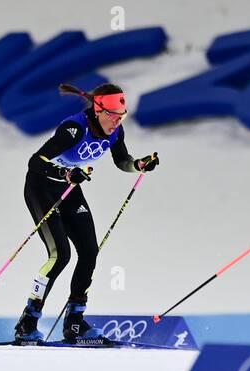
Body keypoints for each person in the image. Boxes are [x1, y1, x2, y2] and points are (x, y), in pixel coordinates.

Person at [13, 83, 158, 345]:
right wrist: (65, 173)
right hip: (41, 187)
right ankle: (28, 322)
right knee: (60, 255)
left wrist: (138, 165)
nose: (117, 122)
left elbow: (121, 160)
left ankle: (74, 323)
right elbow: (35, 161)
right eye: (113, 116)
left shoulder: (115, 132)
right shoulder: (74, 128)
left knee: (90, 252)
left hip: (69, 189)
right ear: (98, 109)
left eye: (121, 117)